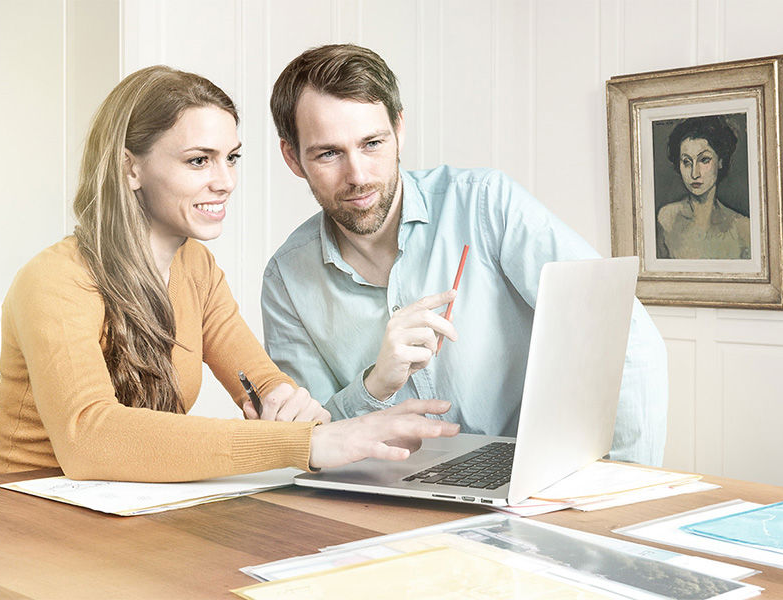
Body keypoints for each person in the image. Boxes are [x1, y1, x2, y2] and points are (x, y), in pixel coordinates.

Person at [0, 65, 459, 482]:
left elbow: (261, 381)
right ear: (131, 168)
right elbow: (90, 438)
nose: (225, 180)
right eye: (199, 160)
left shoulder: (196, 268)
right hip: (33, 509)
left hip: (135, 506)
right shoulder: (54, 280)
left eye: (231, 157)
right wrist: (307, 445)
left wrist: (291, 408)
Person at [261, 44, 669, 466]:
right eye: (329, 153)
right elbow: (308, 441)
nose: (358, 175)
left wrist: (621, 485)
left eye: (372, 143)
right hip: (379, 501)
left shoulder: (486, 204)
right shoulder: (285, 279)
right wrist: (375, 385)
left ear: (399, 130)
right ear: (293, 158)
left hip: (533, 486)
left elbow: (624, 336)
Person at [656, 115, 750, 260]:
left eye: (704, 160)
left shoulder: (743, 228)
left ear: (720, 161)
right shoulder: (667, 219)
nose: (695, 173)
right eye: (687, 162)